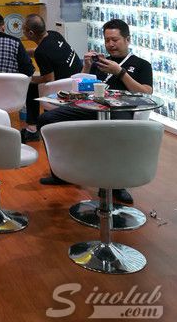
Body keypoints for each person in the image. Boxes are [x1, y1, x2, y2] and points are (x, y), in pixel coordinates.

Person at [37, 19, 153, 203]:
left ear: (127, 39)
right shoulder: (101, 63)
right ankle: (60, 172)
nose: (110, 44)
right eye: (107, 40)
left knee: (114, 131)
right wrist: (86, 66)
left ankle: (117, 184)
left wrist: (120, 72)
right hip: (91, 107)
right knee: (46, 119)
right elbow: (81, 86)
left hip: (120, 111)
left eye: (115, 40)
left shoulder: (141, 64)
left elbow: (146, 92)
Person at [20, 14, 82, 143]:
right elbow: (43, 51)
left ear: (30, 33)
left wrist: (29, 79)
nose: (22, 31)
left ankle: (32, 129)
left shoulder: (41, 52)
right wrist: (22, 53)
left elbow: (49, 79)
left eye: (23, 29)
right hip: (78, 78)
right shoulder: (54, 34)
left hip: (65, 87)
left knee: (31, 86)